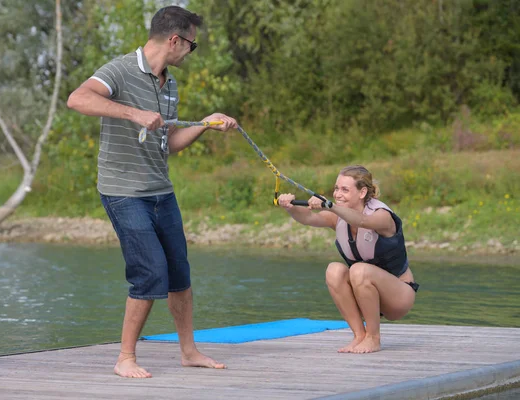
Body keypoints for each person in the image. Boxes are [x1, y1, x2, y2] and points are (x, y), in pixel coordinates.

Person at [67, 6, 238, 378]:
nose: (191, 53)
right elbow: (77, 99)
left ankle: (189, 351)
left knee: (179, 273)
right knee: (150, 273)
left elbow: (170, 143)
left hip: (161, 191)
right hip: (123, 191)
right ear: (175, 40)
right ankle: (125, 358)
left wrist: (206, 124)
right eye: (192, 45)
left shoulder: (169, 83)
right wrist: (133, 113)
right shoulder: (120, 70)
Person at [277, 165, 418, 354]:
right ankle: (359, 335)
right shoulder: (338, 217)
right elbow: (309, 218)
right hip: (365, 295)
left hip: (398, 297)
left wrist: (331, 207)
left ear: (362, 192)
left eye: (345, 189)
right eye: (336, 188)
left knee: (359, 270)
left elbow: (362, 221)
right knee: (334, 270)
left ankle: (373, 338)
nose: (337, 194)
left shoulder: (382, 216)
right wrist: (290, 207)